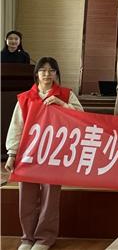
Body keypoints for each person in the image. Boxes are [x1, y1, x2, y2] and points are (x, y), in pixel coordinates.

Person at [5, 57, 83, 250]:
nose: (47, 74)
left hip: (53, 154)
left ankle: (44, 238)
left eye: (51, 70)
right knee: (26, 197)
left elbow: (82, 117)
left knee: (50, 198)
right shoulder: (25, 98)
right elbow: (16, 127)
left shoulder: (66, 94)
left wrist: (62, 104)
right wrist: (12, 154)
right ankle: (27, 237)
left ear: (56, 73)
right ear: (36, 74)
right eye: (43, 70)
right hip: (28, 154)